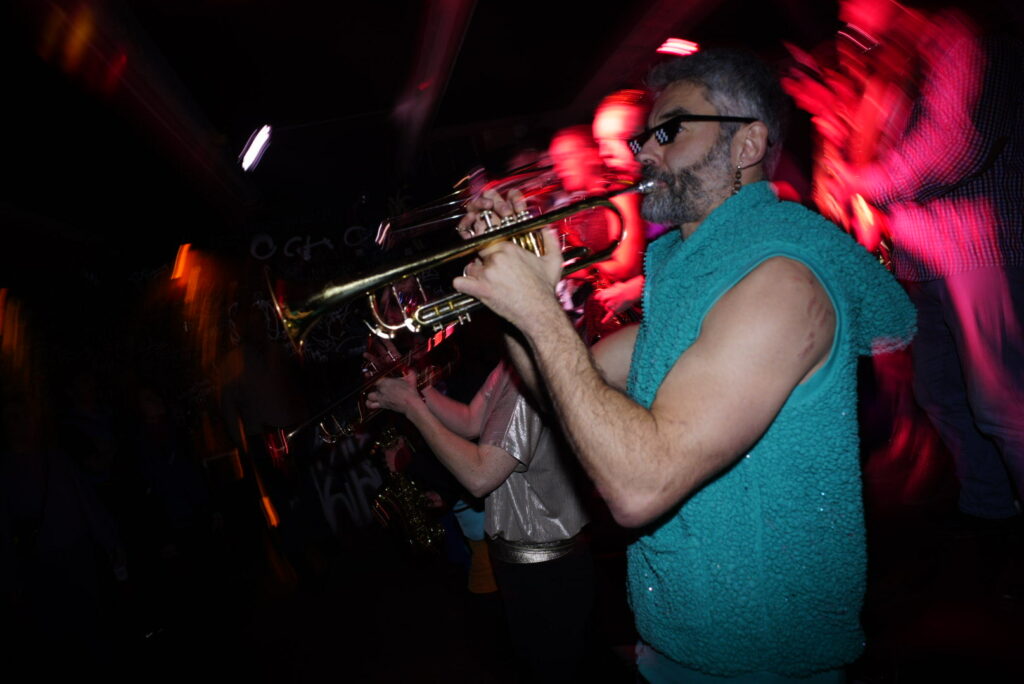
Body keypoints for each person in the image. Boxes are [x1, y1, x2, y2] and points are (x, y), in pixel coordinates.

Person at [453, 48, 916, 681]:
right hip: (681, 641)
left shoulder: (780, 283)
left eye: (669, 131)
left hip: (762, 660)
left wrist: (537, 313)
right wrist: (508, 298)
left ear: (748, 143)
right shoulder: (691, 289)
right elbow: (558, 383)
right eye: (645, 137)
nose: (643, 153)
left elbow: (640, 488)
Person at [796, 0, 1024, 531]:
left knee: (1002, 404)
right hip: (919, 257)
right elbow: (865, 157)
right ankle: (990, 511)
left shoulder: (960, 37)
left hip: (976, 247)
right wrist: (836, 124)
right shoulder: (897, 59)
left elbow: (955, 146)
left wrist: (863, 182)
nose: (846, 10)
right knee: (939, 394)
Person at [365, 354, 593, 682]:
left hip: (546, 569)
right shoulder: (510, 364)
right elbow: (471, 420)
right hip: (522, 561)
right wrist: (417, 388)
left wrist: (412, 406)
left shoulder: (528, 381)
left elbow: (480, 476)